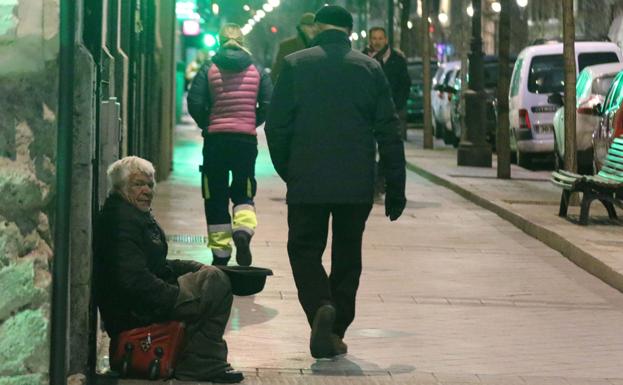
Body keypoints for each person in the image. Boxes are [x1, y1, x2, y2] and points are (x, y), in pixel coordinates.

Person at [265, 5, 406, 359]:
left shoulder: (295, 65)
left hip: (307, 180)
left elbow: (275, 127)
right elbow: (389, 131)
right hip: (355, 184)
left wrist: (289, 170)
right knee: (347, 255)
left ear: (316, 29)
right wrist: (394, 184)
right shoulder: (370, 68)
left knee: (303, 250)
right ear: (349, 31)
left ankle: (319, 308)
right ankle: (337, 325)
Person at [94, 156, 243, 383]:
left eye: (150, 185)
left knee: (212, 276)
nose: (147, 191)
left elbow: (155, 263)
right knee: (216, 284)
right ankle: (202, 364)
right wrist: (173, 296)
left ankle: (199, 360)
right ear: (120, 188)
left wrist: (191, 267)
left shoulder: (134, 214)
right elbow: (132, 279)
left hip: (145, 300)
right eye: (138, 184)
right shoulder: (121, 221)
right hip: (136, 310)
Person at [187, 23, 273, 267]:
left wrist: (209, 122)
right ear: (242, 41)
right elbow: (269, 102)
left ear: (219, 40)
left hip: (216, 141)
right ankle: (243, 232)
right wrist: (250, 122)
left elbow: (195, 102)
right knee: (244, 190)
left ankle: (221, 256)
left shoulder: (209, 66)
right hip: (245, 141)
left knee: (214, 195)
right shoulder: (257, 69)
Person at [363, 27, 411, 200]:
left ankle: (380, 183)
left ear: (386, 40)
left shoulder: (397, 60)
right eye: (374, 38)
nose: (377, 41)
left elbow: (404, 85)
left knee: (387, 151)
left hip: (390, 112)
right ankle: (370, 183)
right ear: (369, 39)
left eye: (380, 38)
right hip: (367, 113)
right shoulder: (361, 58)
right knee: (367, 149)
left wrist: (397, 107)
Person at [270, 12, 317, 83]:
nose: (313, 29)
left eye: (315, 26)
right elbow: (277, 70)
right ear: (301, 27)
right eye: (310, 26)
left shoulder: (320, 45)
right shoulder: (287, 46)